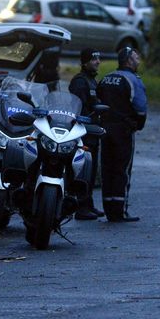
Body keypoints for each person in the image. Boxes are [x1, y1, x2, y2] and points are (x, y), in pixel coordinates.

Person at [97, 47, 147, 222]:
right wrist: (138, 124)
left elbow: (98, 100)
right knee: (122, 169)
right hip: (123, 130)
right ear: (128, 60)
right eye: (136, 56)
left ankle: (108, 209)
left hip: (105, 129)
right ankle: (119, 211)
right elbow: (140, 107)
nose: (138, 59)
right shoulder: (133, 79)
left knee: (107, 168)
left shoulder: (106, 78)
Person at [69, 48, 105, 220]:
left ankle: (88, 203)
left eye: (98, 58)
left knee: (91, 170)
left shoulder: (91, 81)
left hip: (92, 132)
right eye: (93, 59)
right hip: (83, 133)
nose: (97, 61)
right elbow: (78, 107)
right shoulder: (80, 82)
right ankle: (81, 206)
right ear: (84, 62)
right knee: (83, 169)